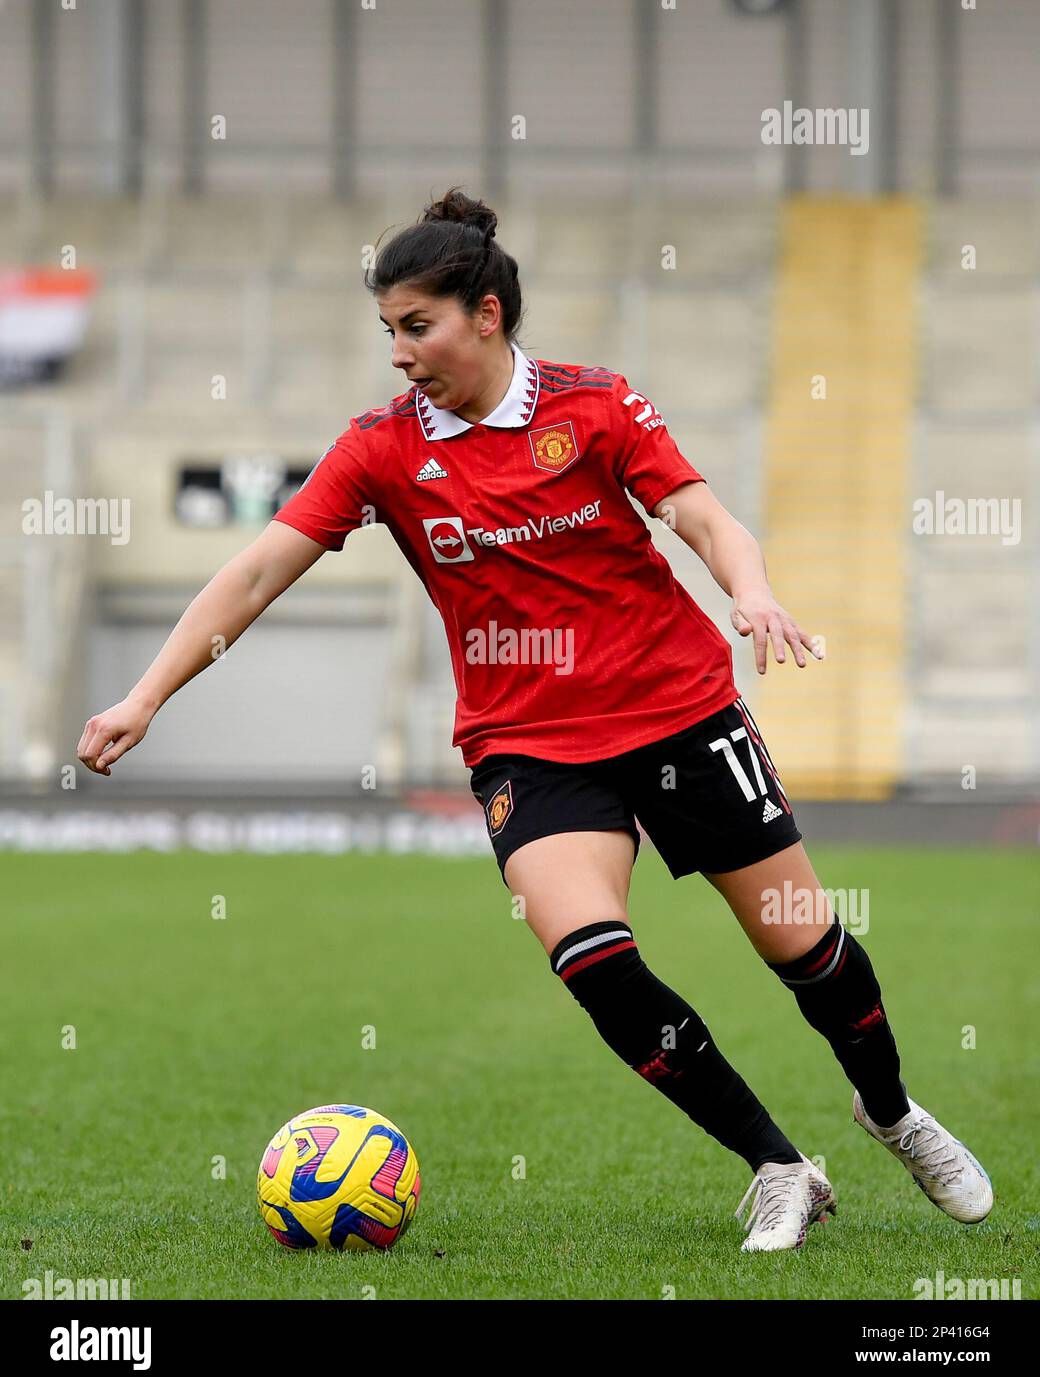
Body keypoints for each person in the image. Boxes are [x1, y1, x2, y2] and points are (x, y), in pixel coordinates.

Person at [77, 187, 992, 1252]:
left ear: (486, 315)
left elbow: (698, 512)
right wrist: (146, 694)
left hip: (679, 711)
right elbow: (253, 573)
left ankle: (890, 1113)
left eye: (414, 327)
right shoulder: (379, 451)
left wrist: (749, 590)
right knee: (592, 957)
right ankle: (779, 1166)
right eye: (386, 331)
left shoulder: (595, 406)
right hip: (530, 745)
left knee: (805, 947)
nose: (397, 353)